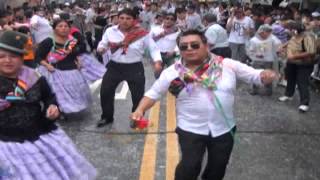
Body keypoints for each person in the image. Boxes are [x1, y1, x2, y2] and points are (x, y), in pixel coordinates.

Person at [131, 29, 277, 180]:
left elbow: (256, 75)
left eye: (194, 45)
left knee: (217, 169)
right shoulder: (173, 72)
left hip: (224, 129)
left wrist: (267, 75)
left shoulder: (227, 65)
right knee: (189, 168)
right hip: (190, 129)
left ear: (206, 46)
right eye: (184, 47)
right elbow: (153, 93)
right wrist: (140, 110)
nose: (189, 49)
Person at [0, 30, 97, 180]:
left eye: (13, 56)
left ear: (22, 58)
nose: (7, 61)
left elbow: (49, 98)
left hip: (39, 136)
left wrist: (53, 108)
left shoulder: (34, 78)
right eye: (2, 56)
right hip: (6, 145)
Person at [96, 8, 162, 127]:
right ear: (118, 18)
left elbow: (153, 48)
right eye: (122, 18)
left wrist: (157, 62)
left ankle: (136, 118)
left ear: (134, 20)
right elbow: (103, 44)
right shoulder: (110, 31)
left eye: (128, 18)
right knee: (105, 92)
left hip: (134, 67)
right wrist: (100, 49)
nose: (124, 21)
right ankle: (106, 117)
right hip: (114, 67)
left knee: (137, 96)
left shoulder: (142, 34)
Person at [35, 19, 92, 116]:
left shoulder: (72, 42)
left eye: (66, 26)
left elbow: (75, 54)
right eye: (60, 26)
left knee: (75, 91)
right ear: (54, 29)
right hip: (55, 71)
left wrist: (78, 61)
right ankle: (58, 111)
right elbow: (38, 57)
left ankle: (67, 108)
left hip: (71, 71)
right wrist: (47, 65)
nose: (63, 28)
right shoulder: (48, 41)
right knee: (56, 93)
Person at [279, 21, 317, 112]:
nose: (288, 31)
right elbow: (291, 40)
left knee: (302, 82)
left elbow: (311, 52)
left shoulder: (308, 37)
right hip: (292, 62)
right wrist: (283, 46)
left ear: (296, 30)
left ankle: (304, 103)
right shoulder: (295, 35)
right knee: (290, 79)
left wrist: (294, 56)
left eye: (290, 30)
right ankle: (288, 95)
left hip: (304, 64)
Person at [247, 24, 282, 95]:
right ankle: (254, 90)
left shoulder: (272, 38)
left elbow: (278, 44)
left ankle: (268, 90)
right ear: (261, 32)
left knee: (268, 75)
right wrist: (255, 55)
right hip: (257, 60)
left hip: (268, 60)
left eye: (269, 33)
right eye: (266, 32)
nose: (267, 34)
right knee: (256, 75)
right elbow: (250, 51)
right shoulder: (254, 40)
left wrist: (279, 49)